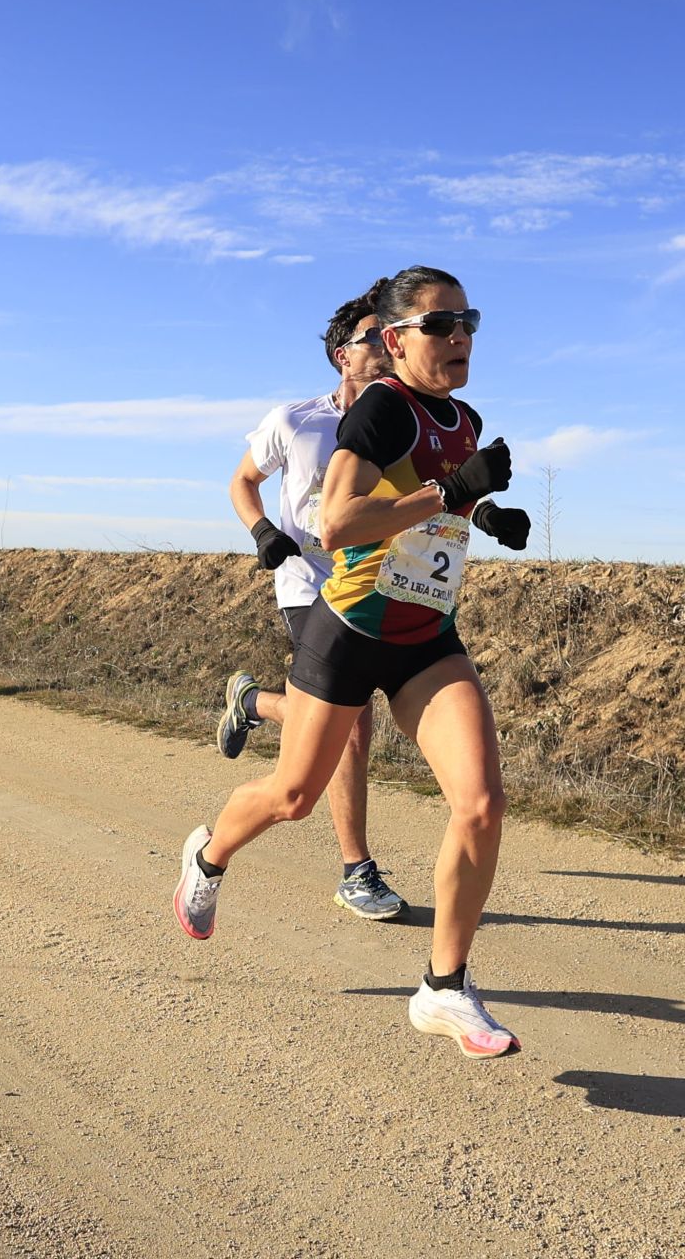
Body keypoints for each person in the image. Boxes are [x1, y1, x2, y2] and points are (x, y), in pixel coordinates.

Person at [173, 266, 533, 1060]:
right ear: (396, 339)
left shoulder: (463, 417)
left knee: (481, 802)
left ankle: (444, 988)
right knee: (294, 795)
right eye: (440, 325)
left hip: (426, 634)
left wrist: (487, 510)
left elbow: (447, 500)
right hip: (352, 626)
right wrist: (447, 493)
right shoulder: (380, 408)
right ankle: (209, 854)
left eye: (468, 319)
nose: (460, 335)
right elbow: (337, 524)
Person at [215, 286, 407, 922]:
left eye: (392, 337)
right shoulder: (295, 420)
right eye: (372, 340)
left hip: (381, 583)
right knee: (351, 723)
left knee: (321, 720)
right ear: (340, 356)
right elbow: (243, 480)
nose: (386, 349)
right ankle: (357, 869)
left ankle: (252, 702)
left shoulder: (406, 421)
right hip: (308, 583)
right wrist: (262, 531)